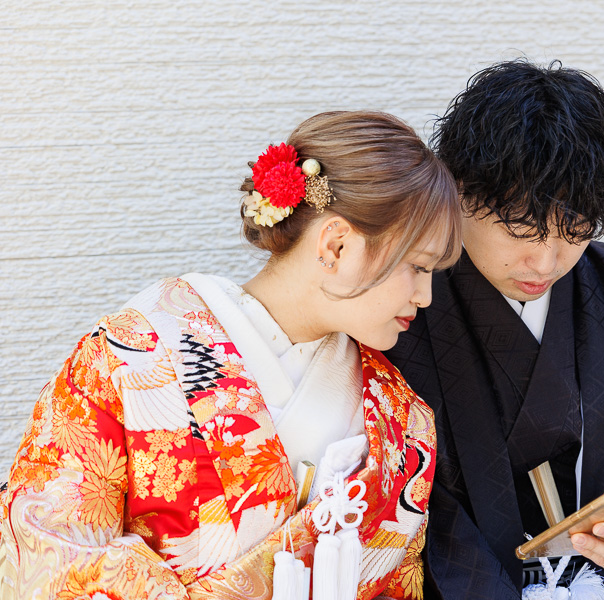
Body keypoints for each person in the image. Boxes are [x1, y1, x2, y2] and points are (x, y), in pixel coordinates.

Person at [0, 111, 461, 599]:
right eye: (418, 267)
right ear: (336, 244)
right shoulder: (134, 353)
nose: (426, 296)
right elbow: (46, 552)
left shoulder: (402, 419)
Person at [384, 61, 604, 599]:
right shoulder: (404, 302)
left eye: (575, 229)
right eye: (521, 229)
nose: (546, 261)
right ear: (458, 191)